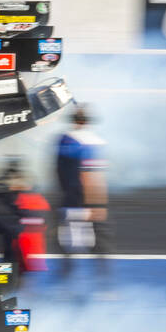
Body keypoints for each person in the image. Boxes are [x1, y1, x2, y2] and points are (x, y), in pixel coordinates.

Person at [55, 106, 111, 284]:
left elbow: (58, 173)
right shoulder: (92, 142)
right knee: (98, 244)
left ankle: (65, 284)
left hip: (67, 200)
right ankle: (103, 284)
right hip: (85, 202)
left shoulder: (63, 139)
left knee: (68, 246)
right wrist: (96, 205)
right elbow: (91, 176)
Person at [0, 157, 50, 278]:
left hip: (18, 227)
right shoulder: (5, 187)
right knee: (10, 250)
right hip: (11, 227)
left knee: (14, 251)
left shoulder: (26, 192)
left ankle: (15, 270)